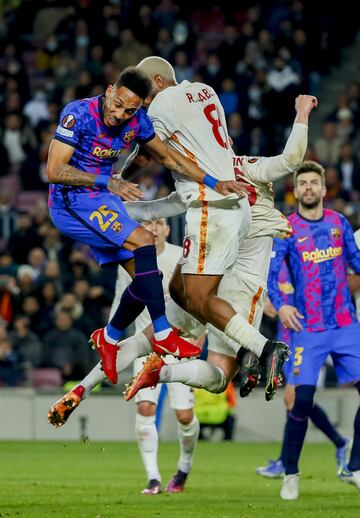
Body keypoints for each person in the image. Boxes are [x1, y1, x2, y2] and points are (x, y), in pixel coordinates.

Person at [47, 93, 317, 427]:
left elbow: (162, 207)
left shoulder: (200, 176)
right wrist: (302, 112)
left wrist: (107, 215)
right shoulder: (248, 167)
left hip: (192, 272)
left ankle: (82, 389)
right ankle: (256, 350)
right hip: (237, 281)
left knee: (144, 337)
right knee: (219, 377)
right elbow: (291, 158)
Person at [47, 66, 243, 384]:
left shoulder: (137, 121)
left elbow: (170, 159)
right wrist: (106, 182)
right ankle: (163, 332)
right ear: (110, 90)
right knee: (144, 241)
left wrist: (213, 181)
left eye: (130, 109)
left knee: (145, 281)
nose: (120, 114)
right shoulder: (78, 114)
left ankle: (109, 339)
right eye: (118, 104)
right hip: (71, 201)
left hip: (101, 197)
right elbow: (54, 170)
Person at [266, 160, 360, 499]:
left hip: (346, 324)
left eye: (313, 183)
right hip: (309, 327)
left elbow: (356, 261)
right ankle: (291, 472)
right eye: (302, 182)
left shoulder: (339, 223)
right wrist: (283, 303)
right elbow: (272, 273)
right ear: (296, 189)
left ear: (323, 189)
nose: (308, 188)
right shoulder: (287, 228)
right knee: (301, 400)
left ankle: (354, 465)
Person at [114, 219, 200, 495]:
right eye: (148, 222)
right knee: (145, 409)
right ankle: (152, 477)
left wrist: (200, 335)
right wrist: (112, 340)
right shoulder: (129, 261)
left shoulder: (180, 257)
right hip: (146, 346)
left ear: (166, 229)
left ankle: (183, 468)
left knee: (185, 416)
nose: (153, 226)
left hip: (180, 344)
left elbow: (198, 299)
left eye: (159, 222)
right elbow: (119, 303)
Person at [255, 272, 351, 479]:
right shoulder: (277, 265)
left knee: (295, 398)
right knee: (294, 401)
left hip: (306, 341)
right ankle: (289, 458)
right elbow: (267, 297)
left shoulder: (305, 263)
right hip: (286, 341)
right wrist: (266, 302)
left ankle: (335, 444)